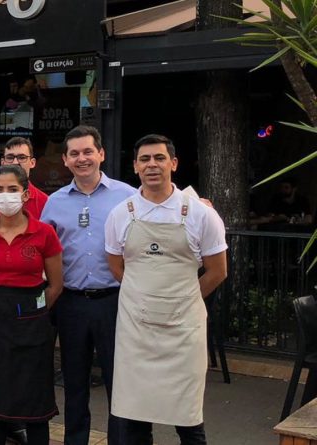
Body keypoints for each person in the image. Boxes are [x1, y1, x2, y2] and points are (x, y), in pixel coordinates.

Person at [105, 134, 228, 445]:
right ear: (135, 166)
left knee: (188, 418)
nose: (152, 165)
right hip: (137, 331)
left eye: (159, 158)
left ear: (173, 163)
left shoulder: (201, 214)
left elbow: (217, 271)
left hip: (183, 332)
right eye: (144, 159)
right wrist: (143, 297)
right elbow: (116, 266)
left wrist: (182, 299)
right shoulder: (120, 214)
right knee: (135, 417)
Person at [39, 125, 135, 445]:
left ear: (101, 154)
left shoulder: (128, 196)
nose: (82, 159)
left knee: (119, 382)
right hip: (72, 303)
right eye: (75, 153)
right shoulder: (54, 203)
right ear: (65, 160)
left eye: (88, 151)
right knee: (75, 382)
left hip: (115, 301)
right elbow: (42, 251)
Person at [0, 165, 63, 445]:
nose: (5, 195)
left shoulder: (44, 233)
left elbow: (56, 285)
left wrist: (34, 311)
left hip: (33, 323)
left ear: (25, 194)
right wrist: (1, 305)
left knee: (34, 397)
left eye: (12, 189)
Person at [0, 137, 48, 220]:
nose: (15, 162)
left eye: (22, 157)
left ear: (32, 163)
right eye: (10, 157)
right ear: (2, 162)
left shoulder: (45, 201)